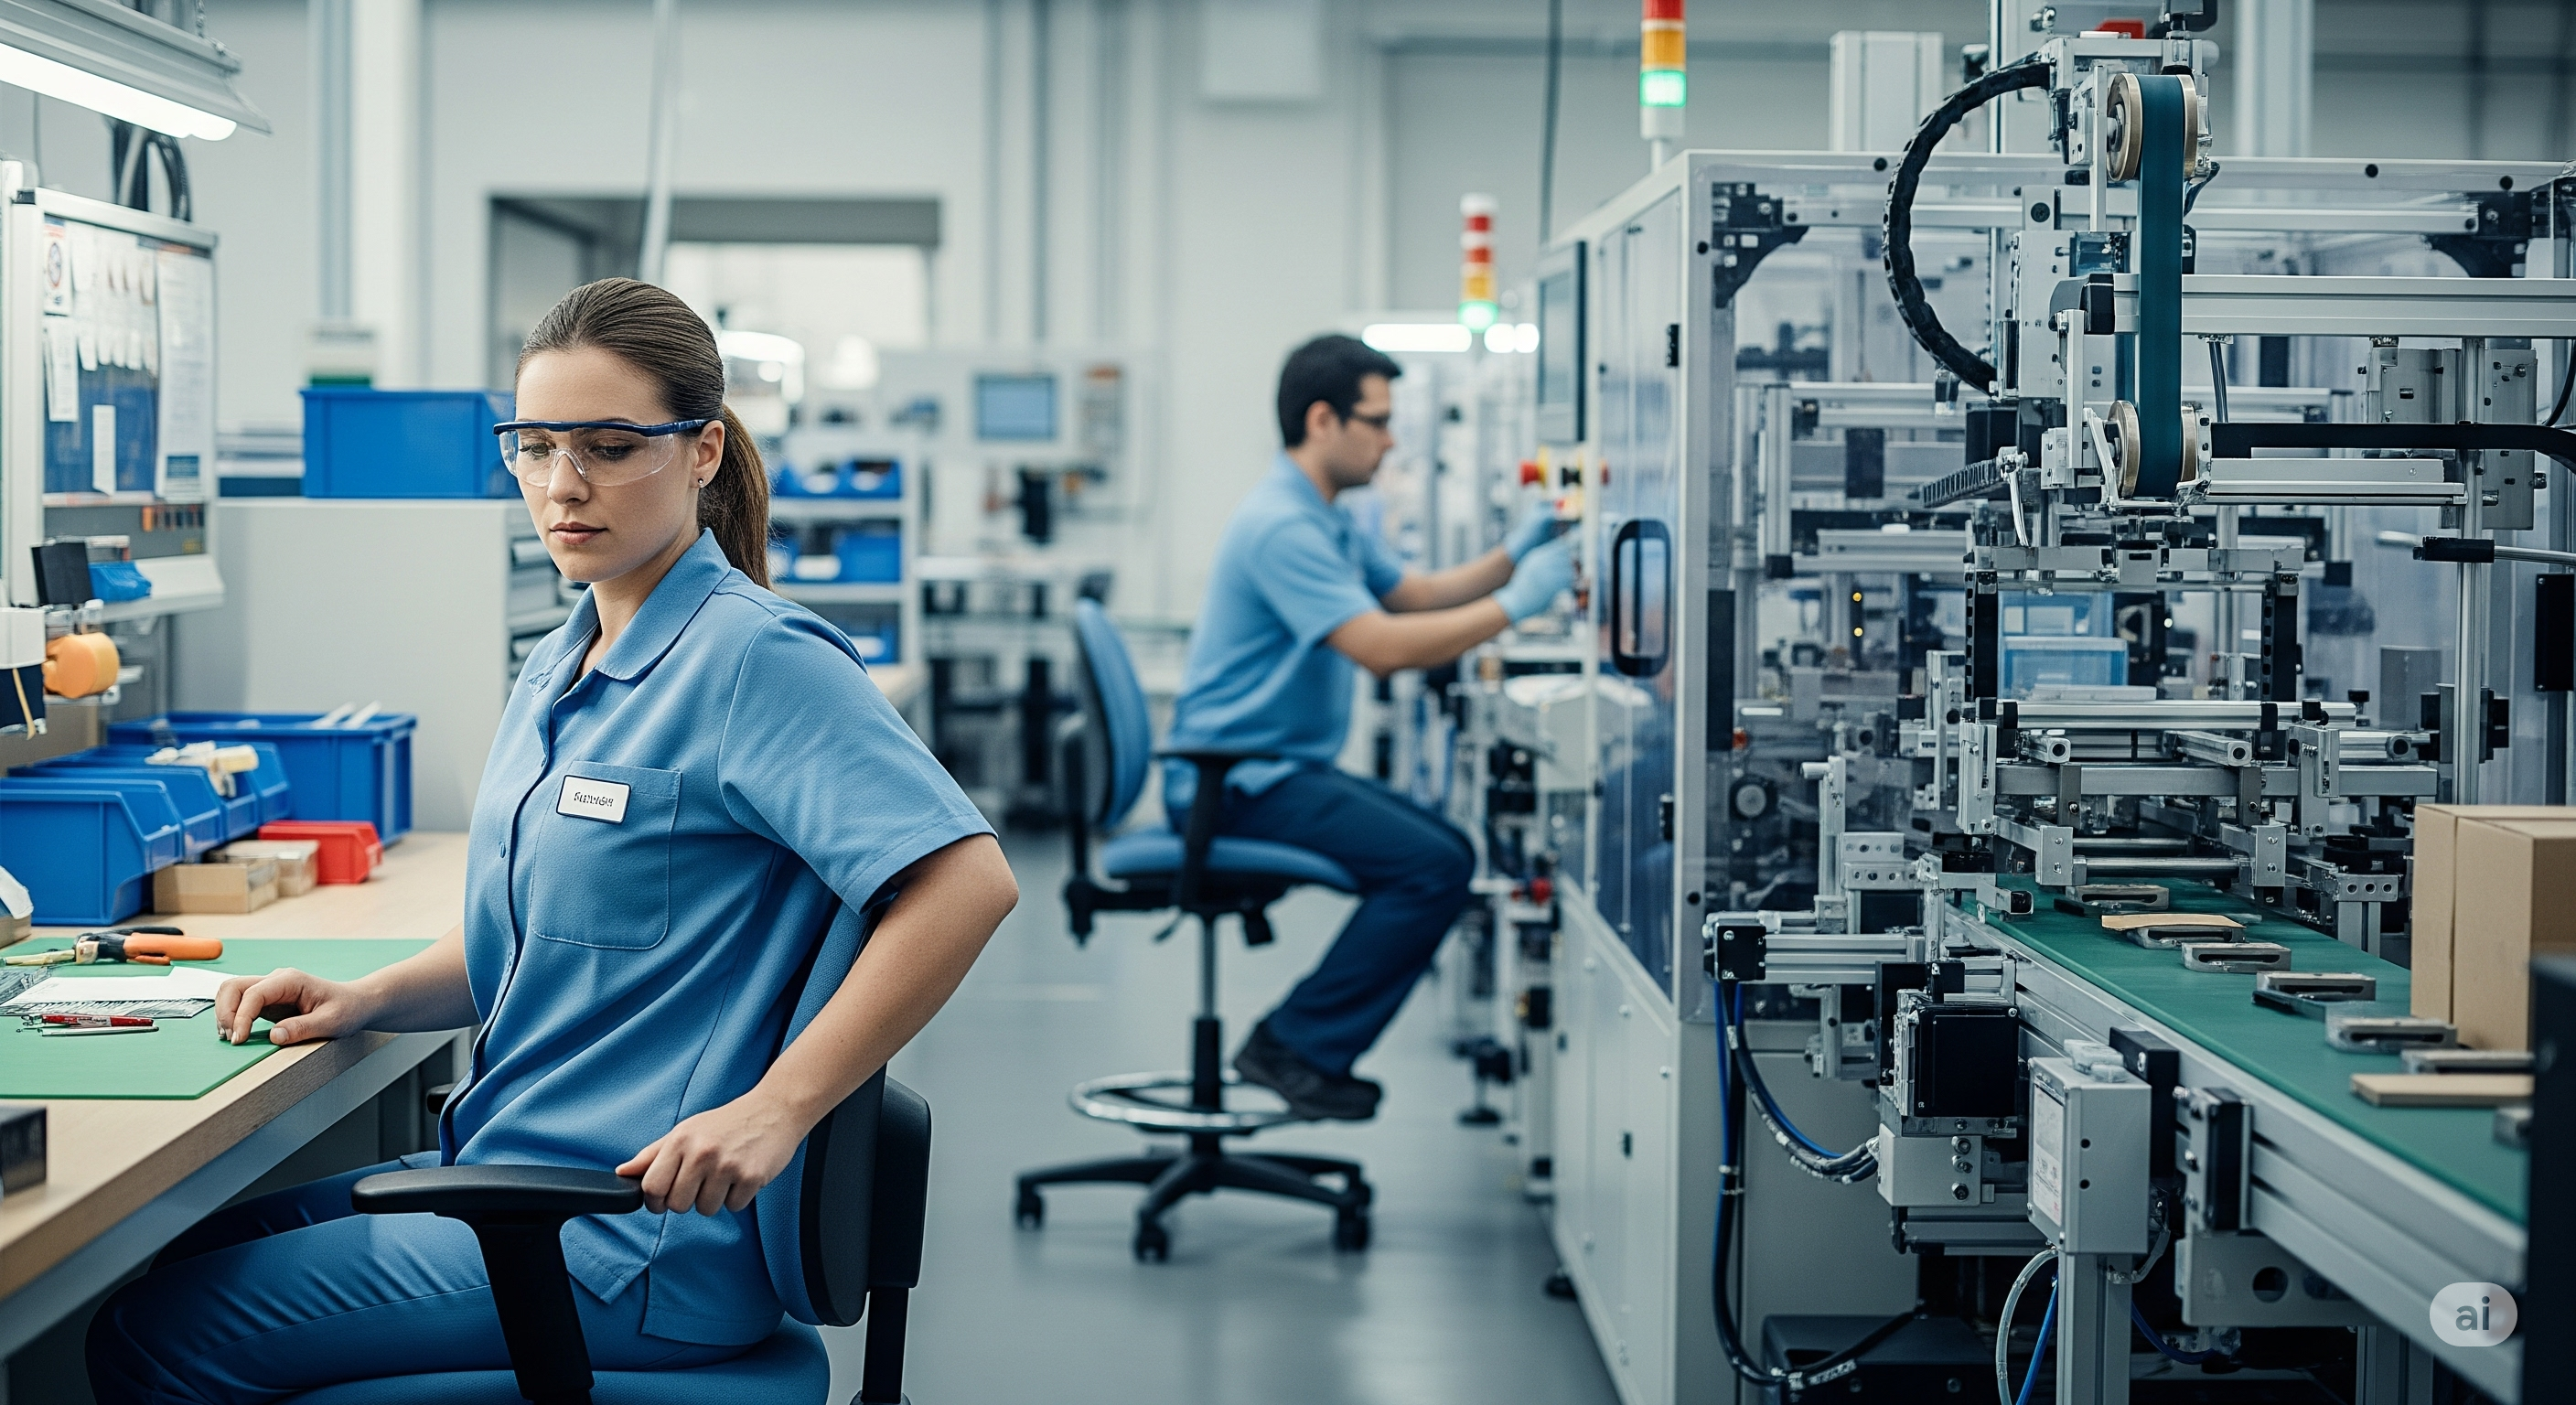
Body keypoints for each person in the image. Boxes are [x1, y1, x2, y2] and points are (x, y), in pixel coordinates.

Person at [85, 279, 1020, 1402]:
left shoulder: (754, 661)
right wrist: (370, 999)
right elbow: (536, 933)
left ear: (703, 452)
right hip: (514, 1174)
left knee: (153, 1334)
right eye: (534, 446)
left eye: (612, 446)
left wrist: (778, 1107)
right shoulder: (566, 652)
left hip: (625, 1228)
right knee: (179, 1253)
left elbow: (968, 881)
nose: (563, 485)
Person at [1165, 333, 1576, 1122]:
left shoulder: (1323, 514)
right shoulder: (1282, 528)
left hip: (1273, 768)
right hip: (1235, 781)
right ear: (1323, 420)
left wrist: (1511, 557)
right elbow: (1382, 650)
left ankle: (1301, 1039)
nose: (1390, 441)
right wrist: (1516, 606)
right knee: (1431, 867)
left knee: (1449, 852)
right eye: (1378, 421)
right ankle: (1294, 1045)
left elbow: (1412, 597)